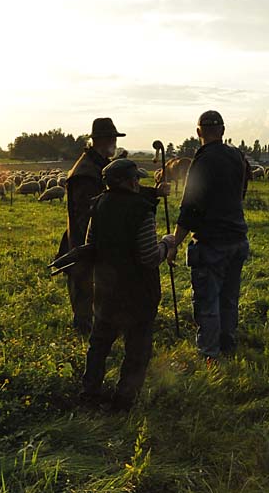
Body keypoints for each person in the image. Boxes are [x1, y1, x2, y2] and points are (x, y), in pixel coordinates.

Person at [80, 158, 176, 411]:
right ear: (126, 182)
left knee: (99, 344)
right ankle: (123, 401)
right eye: (135, 178)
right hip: (137, 293)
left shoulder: (98, 205)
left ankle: (90, 394)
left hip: (105, 290)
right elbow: (148, 257)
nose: (138, 182)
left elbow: (91, 246)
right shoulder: (141, 210)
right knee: (137, 349)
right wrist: (166, 244)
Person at [60, 117, 169, 335]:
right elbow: (101, 205)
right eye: (112, 138)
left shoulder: (98, 165)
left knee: (104, 289)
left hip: (99, 240)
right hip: (87, 240)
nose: (114, 143)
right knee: (85, 288)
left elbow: (117, 192)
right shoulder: (85, 172)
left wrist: (153, 192)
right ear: (102, 140)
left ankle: (103, 329)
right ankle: (86, 335)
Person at [165, 110, 251, 362]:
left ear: (198, 132)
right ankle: (227, 344)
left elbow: (191, 205)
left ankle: (209, 354)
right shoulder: (237, 157)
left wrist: (175, 242)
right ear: (223, 131)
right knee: (229, 296)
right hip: (237, 237)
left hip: (212, 242)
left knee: (208, 300)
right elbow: (241, 190)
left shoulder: (202, 161)